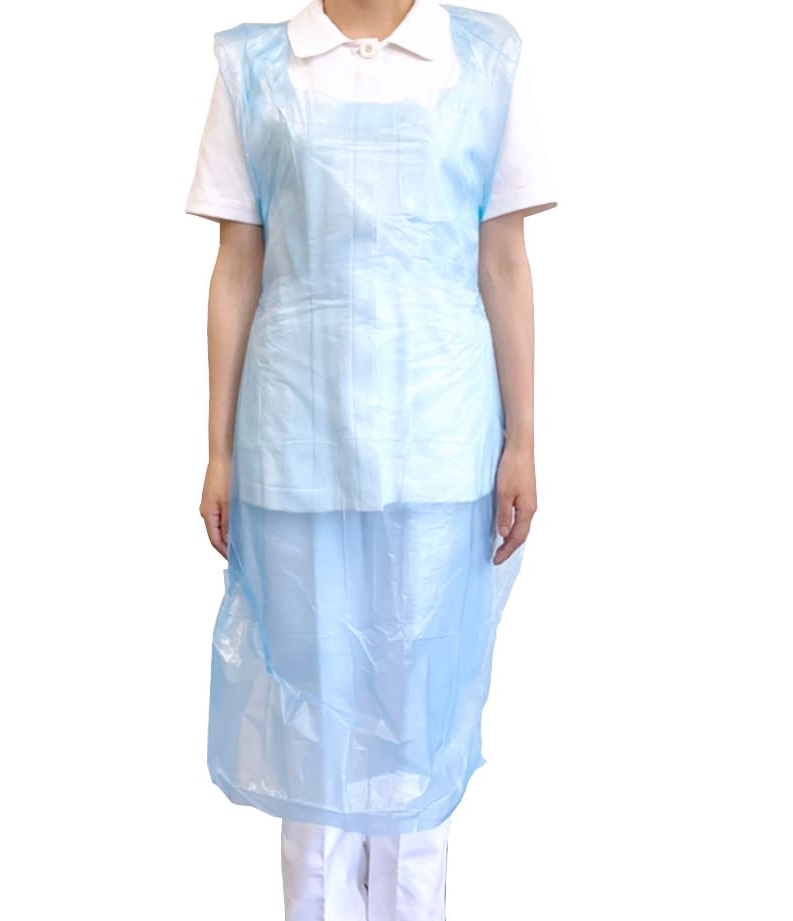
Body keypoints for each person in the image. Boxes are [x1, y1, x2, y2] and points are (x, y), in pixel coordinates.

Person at [184, 1, 558, 917]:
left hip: (440, 439)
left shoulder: (482, 59)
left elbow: (503, 259)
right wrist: (217, 449)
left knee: (417, 728)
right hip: (294, 438)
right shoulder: (256, 69)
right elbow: (237, 263)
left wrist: (521, 438)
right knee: (311, 728)